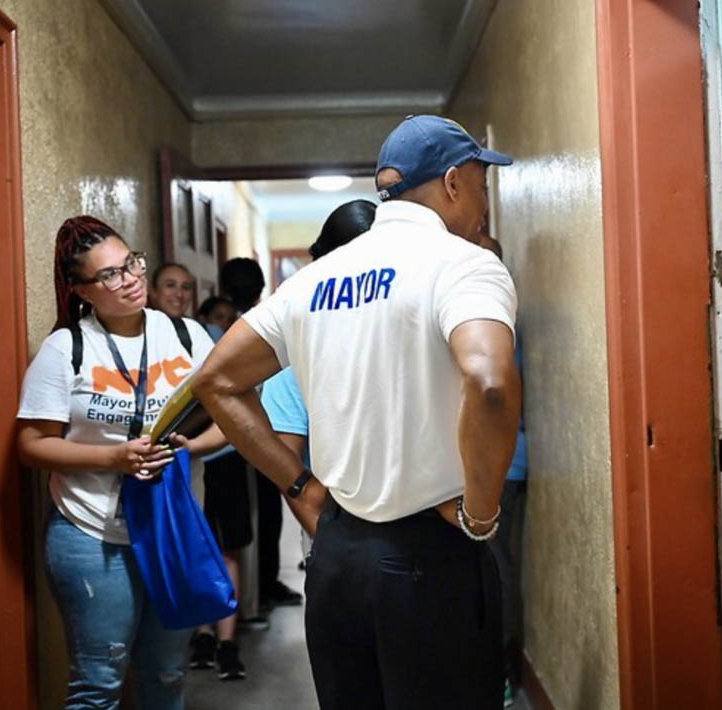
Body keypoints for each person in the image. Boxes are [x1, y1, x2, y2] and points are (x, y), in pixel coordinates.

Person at [193, 115, 521, 710]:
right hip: (431, 551)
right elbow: (491, 382)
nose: (482, 204)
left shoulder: (313, 280)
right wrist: (480, 512)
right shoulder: (464, 264)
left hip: (338, 559)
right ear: (451, 183)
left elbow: (215, 380)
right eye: (480, 185)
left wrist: (298, 484)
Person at [16, 216, 226, 708]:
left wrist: (192, 448)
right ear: (81, 290)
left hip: (173, 529)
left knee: (168, 676)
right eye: (109, 274)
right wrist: (115, 457)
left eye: (131, 263)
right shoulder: (66, 348)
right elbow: (31, 444)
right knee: (99, 684)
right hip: (93, 534)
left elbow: (229, 417)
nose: (130, 279)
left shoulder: (187, 334)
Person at [260, 200, 378, 544]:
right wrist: (327, 545)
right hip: (338, 527)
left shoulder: (409, 330)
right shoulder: (297, 345)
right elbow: (286, 460)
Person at [187, 265, 262, 679]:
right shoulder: (183, 347)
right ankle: (204, 635)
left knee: (229, 549)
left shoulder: (232, 344)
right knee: (202, 549)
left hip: (227, 460)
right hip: (191, 463)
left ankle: (226, 640)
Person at [221, 257, 305, 611]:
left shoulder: (263, 325)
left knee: (268, 515)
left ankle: (264, 586)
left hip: (263, 432)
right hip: (238, 441)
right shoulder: (236, 328)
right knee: (255, 520)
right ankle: (255, 593)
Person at [479, 233, 527, 709]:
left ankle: (499, 671)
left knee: (492, 569)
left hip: (500, 466)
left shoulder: (495, 324)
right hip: (486, 463)